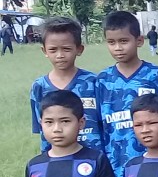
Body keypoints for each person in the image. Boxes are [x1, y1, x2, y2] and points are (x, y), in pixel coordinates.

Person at [95, 11, 158, 177]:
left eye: (123, 41)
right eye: (111, 42)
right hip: (114, 163)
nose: (118, 48)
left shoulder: (154, 74)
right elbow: (98, 122)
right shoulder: (103, 79)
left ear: (139, 41)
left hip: (150, 162)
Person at [30, 16, 103, 153]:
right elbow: (42, 130)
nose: (60, 55)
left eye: (66, 49)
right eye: (53, 50)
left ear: (79, 49)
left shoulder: (94, 82)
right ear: (44, 51)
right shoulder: (39, 87)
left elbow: (104, 123)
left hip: (94, 157)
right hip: (58, 159)